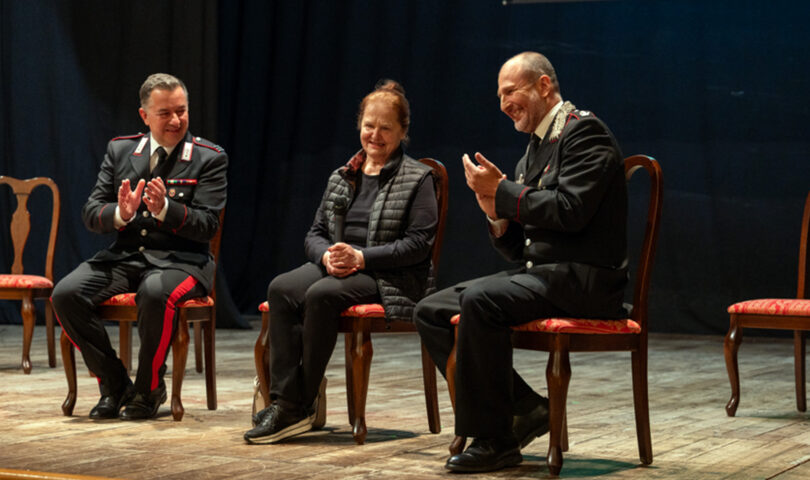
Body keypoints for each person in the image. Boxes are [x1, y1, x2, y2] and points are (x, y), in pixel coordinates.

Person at [415, 52, 628, 473]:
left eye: (510, 91)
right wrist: (495, 212)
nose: (503, 104)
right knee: (431, 311)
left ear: (544, 86)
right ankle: (526, 408)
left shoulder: (585, 133)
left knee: (481, 300)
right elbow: (521, 249)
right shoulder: (533, 151)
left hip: (585, 281)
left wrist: (505, 191)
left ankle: (495, 441)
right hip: (546, 277)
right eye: (499, 96)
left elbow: (571, 210)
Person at [244, 80, 438, 444]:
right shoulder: (343, 175)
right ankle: (288, 401)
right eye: (369, 125)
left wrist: (361, 257)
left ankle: (296, 404)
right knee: (282, 288)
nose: (375, 135)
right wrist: (326, 256)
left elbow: (418, 245)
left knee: (321, 295)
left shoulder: (419, 178)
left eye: (385, 127)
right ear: (359, 125)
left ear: (402, 131)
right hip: (339, 268)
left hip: (390, 278)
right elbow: (314, 233)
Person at [52, 73, 228, 421]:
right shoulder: (120, 150)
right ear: (144, 115)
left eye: (182, 111)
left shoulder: (209, 157)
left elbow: (208, 224)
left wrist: (166, 210)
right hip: (126, 256)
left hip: (184, 261)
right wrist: (121, 213)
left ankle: (149, 389)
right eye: (165, 113)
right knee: (66, 294)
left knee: (155, 290)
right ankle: (115, 384)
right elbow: (91, 212)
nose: (176, 120)